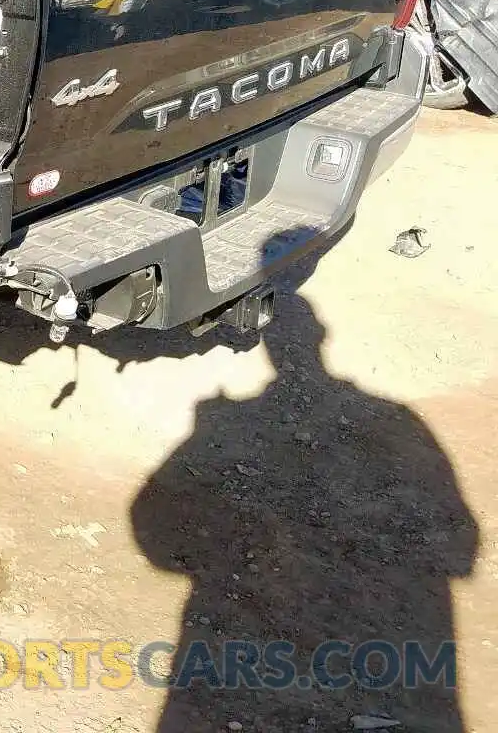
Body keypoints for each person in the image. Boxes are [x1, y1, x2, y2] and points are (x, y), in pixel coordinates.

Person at [132, 251, 478, 732]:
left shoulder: (225, 420)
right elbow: (462, 549)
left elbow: (152, 532)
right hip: (396, 649)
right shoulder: (400, 422)